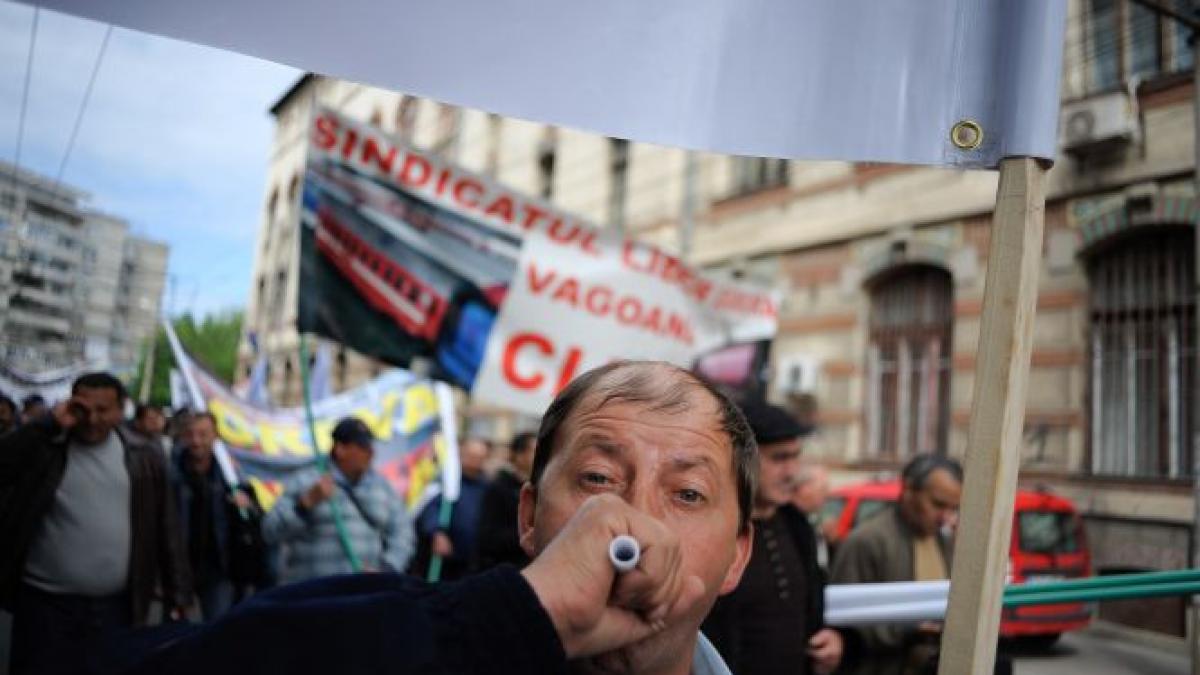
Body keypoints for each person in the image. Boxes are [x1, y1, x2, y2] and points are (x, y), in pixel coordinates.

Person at [122, 360, 755, 675]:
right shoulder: (422, 642)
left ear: (737, 555)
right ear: (529, 515)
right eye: (596, 479)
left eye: (688, 494)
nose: (633, 522)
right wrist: (504, 622)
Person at [0, 372, 191, 675]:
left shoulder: (144, 456)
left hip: (113, 610)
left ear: (120, 409)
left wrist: (178, 594)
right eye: (82, 408)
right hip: (44, 609)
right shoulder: (47, 447)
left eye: (103, 410)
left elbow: (166, 528)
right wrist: (48, 423)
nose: (92, 419)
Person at [703, 400, 843, 675]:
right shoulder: (710, 531)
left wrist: (834, 639)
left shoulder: (797, 526)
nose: (792, 471)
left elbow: (811, 613)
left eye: (795, 457)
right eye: (779, 458)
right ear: (739, 458)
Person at [829, 454, 963, 675]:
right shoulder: (867, 541)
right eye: (938, 504)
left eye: (953, 508)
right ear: (908, 491)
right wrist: (908, 630)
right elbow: (845, 619)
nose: (945, 516)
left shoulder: (946, 541)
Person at [262, 416, 414, 582]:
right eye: (363, 446)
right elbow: (270, 531)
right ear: (340, 449)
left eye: (371, 445)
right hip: (313, 596)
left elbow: (403, 533)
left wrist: (387, 568)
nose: (371, 452)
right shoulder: (305, 481)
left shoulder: (383, 488)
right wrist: (304, 505)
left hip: (363, 595)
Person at [172, 412, 270, 619]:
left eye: (203, 434)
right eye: (190, 434)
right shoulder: (171, 474)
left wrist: (247, 505)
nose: (196, 441)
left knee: (217, 629)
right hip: (179, 568)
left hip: (219, 569)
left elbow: (258, 518)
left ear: (215, 436)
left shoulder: (232, 475)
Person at [412, 436, 489, 581]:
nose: (475, 461)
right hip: (444, 559)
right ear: (461, 454)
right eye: (471, 456)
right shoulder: (445, 481)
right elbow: (430, 508)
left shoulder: (487, 487)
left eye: (480, 457)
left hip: (474, 562)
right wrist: (436, 532)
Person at [475, 430, 536, 570]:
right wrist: (529, 533)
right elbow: (488, 538)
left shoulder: (540, 488)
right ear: (518, 455)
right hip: (504, 568)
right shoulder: (499, 488)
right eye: (534, 451)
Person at [793, 462, 832, 573]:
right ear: (804, 489)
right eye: (823, 489)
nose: (828, 494)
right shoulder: (788, 524)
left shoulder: (811, 520)